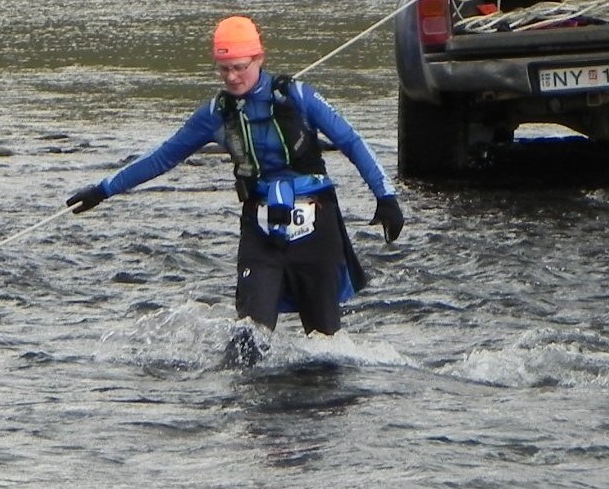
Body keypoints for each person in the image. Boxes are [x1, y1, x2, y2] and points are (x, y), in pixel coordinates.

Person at [63, 15, 406, 364]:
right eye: (223, 69)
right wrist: (103, 190)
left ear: (259, 58)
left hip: (317, 230)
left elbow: (352, 141)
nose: (231, 77)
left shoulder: (299, 96)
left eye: (240, 67)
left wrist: (386, 197)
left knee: (325, 347)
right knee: (246, 344)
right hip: (260, 232)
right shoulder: (217, 113)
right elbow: (163, 157)